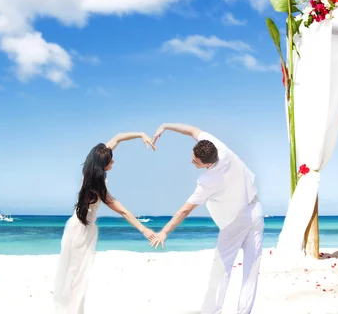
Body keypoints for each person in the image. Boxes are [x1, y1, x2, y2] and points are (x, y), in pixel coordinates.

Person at [150, 123, 264, 314]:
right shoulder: (219, 148)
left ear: (208, 164)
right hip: (255, 210)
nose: (192, 162)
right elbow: (192, 130)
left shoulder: (207, 181)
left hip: (236, 220)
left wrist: (164, 231)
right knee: (251, 270)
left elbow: (185, 210)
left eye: (195, 162)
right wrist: (166, 126)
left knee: (221, 268)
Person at [53, 132, 156, 314]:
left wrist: (141, 135)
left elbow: (117, 138)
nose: (114, 162)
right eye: (111, 161)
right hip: (82, 234)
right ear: (103, 165)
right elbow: (123, 211)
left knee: (74, 275)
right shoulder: (98, 188)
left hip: (75, 227)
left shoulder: (89, 168)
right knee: (78, 277)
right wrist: (144, 229)